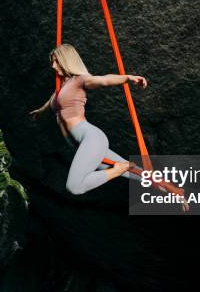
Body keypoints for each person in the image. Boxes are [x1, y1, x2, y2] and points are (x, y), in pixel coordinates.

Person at [29, 44, 188, 211]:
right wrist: (39, 112)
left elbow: (104, 80)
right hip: (81, 144)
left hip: (90, 138)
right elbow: (52, 103)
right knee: (135, 173)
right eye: (52, 62)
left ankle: (118, 169)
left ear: (66, 61)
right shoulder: (60, 88)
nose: (53, 66)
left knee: (75, 187)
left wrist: (127, 78)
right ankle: (174, 191)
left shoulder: (80, 80)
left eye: (56, 62)